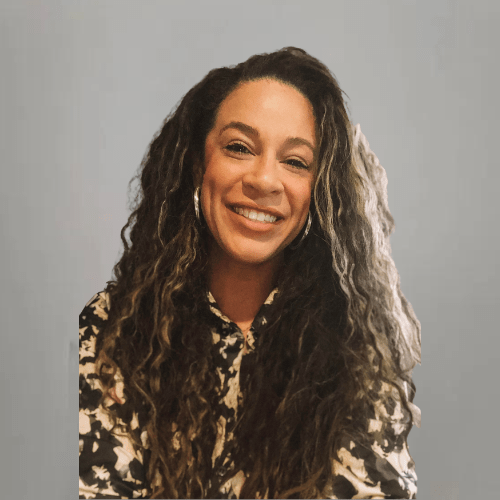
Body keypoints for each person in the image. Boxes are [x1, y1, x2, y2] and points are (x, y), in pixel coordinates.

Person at [79, 47, 421, 499]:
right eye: (239, 148)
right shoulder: (110, 330)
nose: (264, 180)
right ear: (198, 164)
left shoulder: (354, 348)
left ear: (318, 190)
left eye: (295, 161)